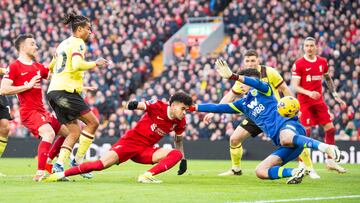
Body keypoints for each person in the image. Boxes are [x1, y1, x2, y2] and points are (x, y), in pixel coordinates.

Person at [190, 60, 341, 184]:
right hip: (285, 145)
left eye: (243, 82)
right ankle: (295, 172)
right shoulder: (242, 104)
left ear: (252, 81)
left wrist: (233, 76)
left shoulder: (264, 89)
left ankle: (325, 147)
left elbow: (254, 83)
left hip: (290, 128)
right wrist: (193, 107)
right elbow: (218, 107)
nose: (240, 86)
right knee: (260, 171)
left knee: (285, 136)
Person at [43, 92, 192, 183]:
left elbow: (178, 141)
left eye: (186, 110)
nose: (184, 112)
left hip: (146, 150)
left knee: (176, 154)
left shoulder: (180, 122)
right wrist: (133, 104)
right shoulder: (158, 105)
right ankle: (60, 174)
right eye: (183, 109)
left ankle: (147, 176)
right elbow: (140, 105)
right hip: (130, 143)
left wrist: (183, 160)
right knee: (100, 165)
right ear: (173, 105)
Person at [202, 50, 303, 177]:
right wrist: (212, 112)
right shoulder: (242, 79)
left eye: (252, 60)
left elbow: (285, 89)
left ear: (258, 60)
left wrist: (294, 109)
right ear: (244, 62)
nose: (250, 63)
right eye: (247, 61)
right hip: (255, 114)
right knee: (234, 139)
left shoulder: (269, 72)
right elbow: (230, 96)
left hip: (274, 114)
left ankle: (305, 166)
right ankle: (236, 169)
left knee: (290, 138)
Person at [46, 13, 108, 178]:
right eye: (88, 28)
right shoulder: (78, 43)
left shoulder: (62, 44)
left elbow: (50, 67)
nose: (90, 32)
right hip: (65, 92)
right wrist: (96, 63)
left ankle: (59, 166)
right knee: (93, 123)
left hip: (53, 92)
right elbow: (76, 65)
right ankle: (78, 162)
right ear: (79, 29)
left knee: (74, 131)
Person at [0, 34, 69, 181]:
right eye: (32, 44)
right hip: (29, 112)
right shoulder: (14, 67)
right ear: (23, 47)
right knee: (49, 134)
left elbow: (52, 75)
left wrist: (58, 61)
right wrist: (28, 85)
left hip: (41, 110)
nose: (36, 47)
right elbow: (3, 89)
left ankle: (49, 164)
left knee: (67, 132)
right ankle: (40, 173)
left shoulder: (37, 66)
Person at [291, 37, 346, 173]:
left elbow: (327, 78)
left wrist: (335, 95)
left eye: (311, 46)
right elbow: (295, 86)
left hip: (319, 101)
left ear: (316, 47)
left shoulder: (322, 62)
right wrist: (309, 93)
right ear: (303, 47)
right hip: (304, 102)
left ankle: (330, 161)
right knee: (306, 132)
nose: (309, 48)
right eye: (307, 46)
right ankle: (302, 165)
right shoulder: (299, 64)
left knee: (331, 129)